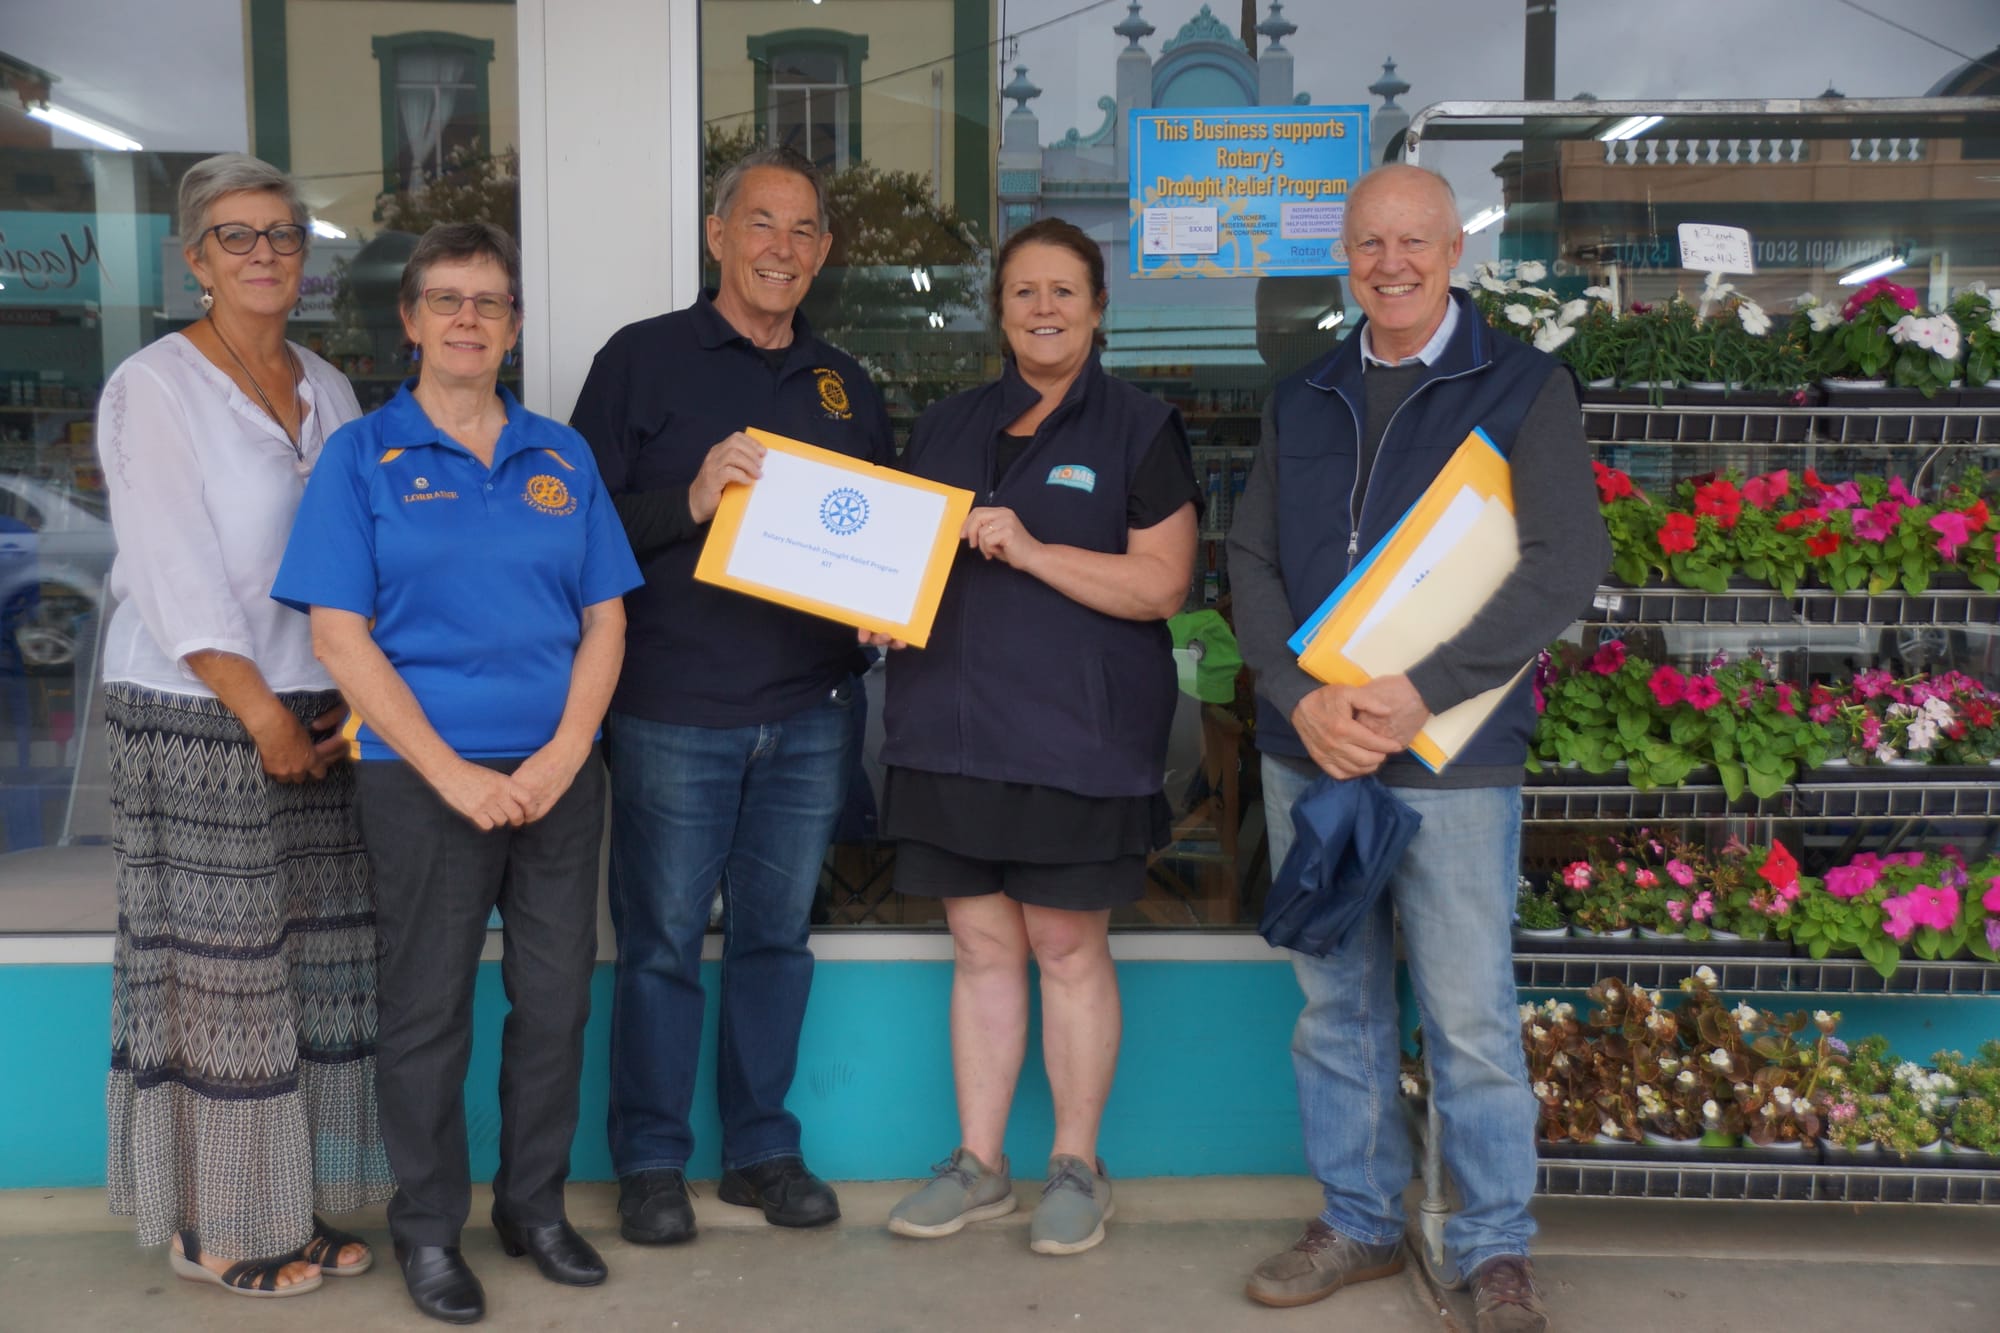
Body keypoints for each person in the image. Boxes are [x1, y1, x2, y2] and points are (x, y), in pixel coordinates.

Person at [1227, 165, 1608, 1332]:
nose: (1388, 263)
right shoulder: (1304, 397)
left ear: (1453, 250)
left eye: (1412, 242)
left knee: (1469, 1016)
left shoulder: (1520, 387)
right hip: (1316, 753)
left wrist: (1415, 692)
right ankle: (1357, 1219)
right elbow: (1246, 561)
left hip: (1455, 757)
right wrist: (1299, 701)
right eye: (1366, 244)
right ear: (1344, 255)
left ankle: (1494, 1247)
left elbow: (1560, 563)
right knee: (1332, 1004)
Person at [273, 222, 642, 1324]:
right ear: (412, 320)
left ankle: (533, 1206)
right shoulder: (362, 458)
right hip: (417, 779)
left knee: (557, 1000)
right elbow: (339, 636)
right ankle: (429, 1230)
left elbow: (606, 616)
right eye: (446, 300)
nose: (467, 319)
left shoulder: (560, 454)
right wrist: (455, 774)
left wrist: (565, 754)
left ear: (514, 326)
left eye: (487, 302)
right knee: (428, 1009)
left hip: (556, 778)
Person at [569, 145, 892, 1244]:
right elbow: (571, 531)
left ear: (824, 253)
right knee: (657, 939)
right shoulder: (640, 360)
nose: (781, 249)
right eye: (761, 224)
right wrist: (690, 497)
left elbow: (880, 539)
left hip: (810, 710)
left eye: (803, 231)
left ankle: (761, 1147)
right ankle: (652, 1161)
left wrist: (879, 610)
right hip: (670, 707)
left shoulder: (848, 381)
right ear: (717, 236)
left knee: (774, 939)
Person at [97, 152, 390, 1299]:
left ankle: (283, 1201)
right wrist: (261, 710)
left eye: (282, 234)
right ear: (193, 260)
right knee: (214, 978)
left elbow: (354, 556)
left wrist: (350, 698)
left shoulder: (327, 383)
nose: (265, 253)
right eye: (237, 236)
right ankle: (210, 1223)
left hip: (317, 708)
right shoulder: (156, 385)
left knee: (306, 975)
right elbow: (173, 570)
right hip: (198, 712)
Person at [876, 217, 1199, 1256]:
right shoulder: (945, 425)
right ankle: (977, 1164)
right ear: (999, 309)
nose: (1043, 308)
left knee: (1064, 945)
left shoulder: (1140, 428)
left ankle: (1076, 1162)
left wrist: (1032, 548)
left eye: (1063, 291)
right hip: (946, 729)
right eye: (1023, 291)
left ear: (1097, 308)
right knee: (978, 947)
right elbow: (908, 560)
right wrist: (877, 602)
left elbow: (1159, 586)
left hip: (1078, 736)